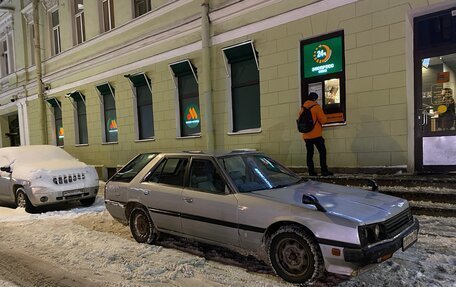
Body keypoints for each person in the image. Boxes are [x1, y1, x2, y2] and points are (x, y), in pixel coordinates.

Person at [298, 92, 333, 176]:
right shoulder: (316, 107)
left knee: (310, 154)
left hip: (306, 135)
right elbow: (323, 120)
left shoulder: (302, 108)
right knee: (322, 152)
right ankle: (324, 171)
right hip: (316, 135)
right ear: (315, 99)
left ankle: (311, 171)